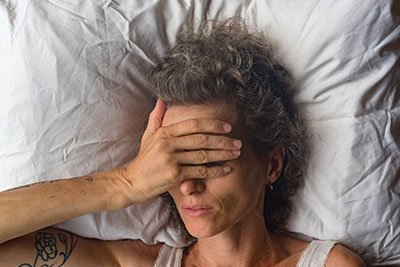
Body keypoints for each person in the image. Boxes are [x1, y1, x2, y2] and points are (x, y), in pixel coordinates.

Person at [0, 18, 364, 266]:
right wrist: (125, 183)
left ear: (272, 164)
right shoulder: (132, 262)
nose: (189, 185)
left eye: (207, 160)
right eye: (177, 162)